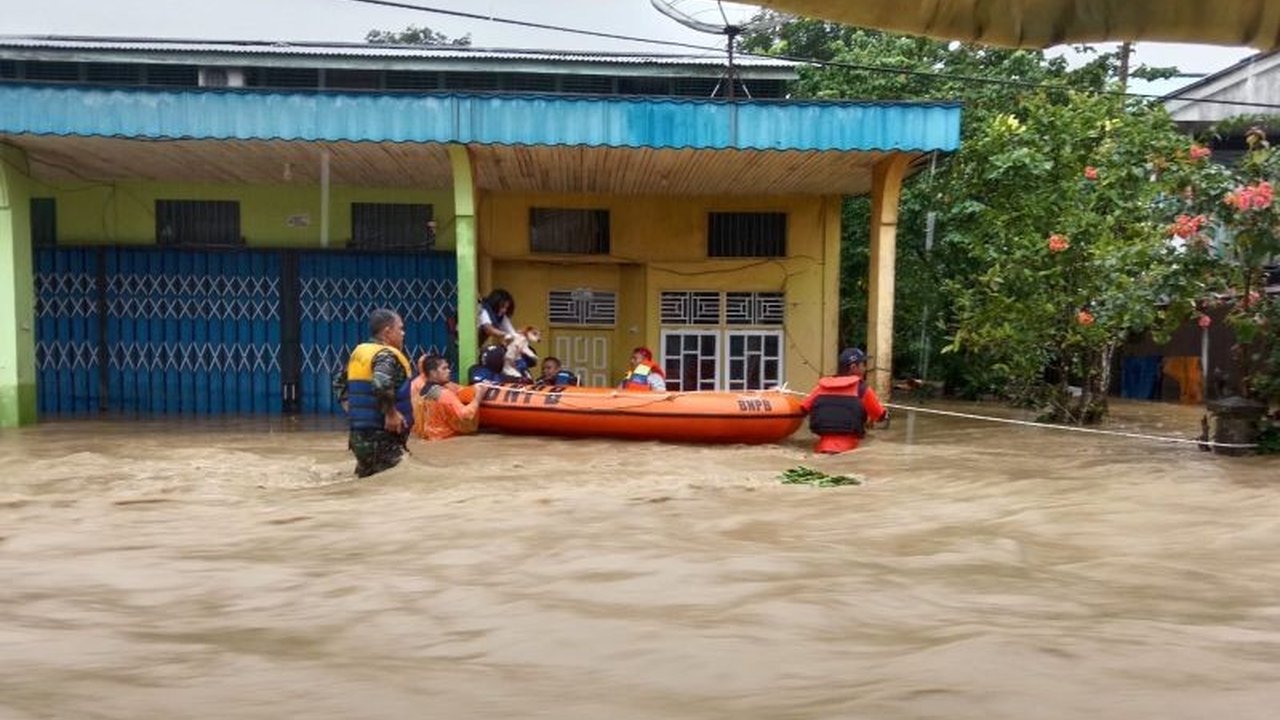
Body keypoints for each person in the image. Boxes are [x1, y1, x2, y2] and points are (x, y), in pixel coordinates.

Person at [333, 309, 414, 477]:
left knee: (368, 481)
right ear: (387, 331)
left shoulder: (360, 353)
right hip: (381, 437)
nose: (403, 333)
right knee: (396, 483)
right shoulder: (385, 355)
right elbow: (381, 383)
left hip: (360, 436)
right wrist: (391, 414)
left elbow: (338, 382)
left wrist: (351, 409)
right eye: (400, 328)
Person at [800, 347, 887, 454]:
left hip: (821, 448)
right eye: (863, 365)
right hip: (848, 450)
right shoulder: (862, 388)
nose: (865, 369)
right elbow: (880, 417)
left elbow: (802, 409)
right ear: (853, 367)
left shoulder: (821, 387)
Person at [411, 354, 483, 441]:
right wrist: (479, 396)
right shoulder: (444, 394)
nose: (449, 371)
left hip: (429, 438)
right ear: (433, 373)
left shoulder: (422, 391)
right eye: (444, 368)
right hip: (445, 438)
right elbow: (466, 415)